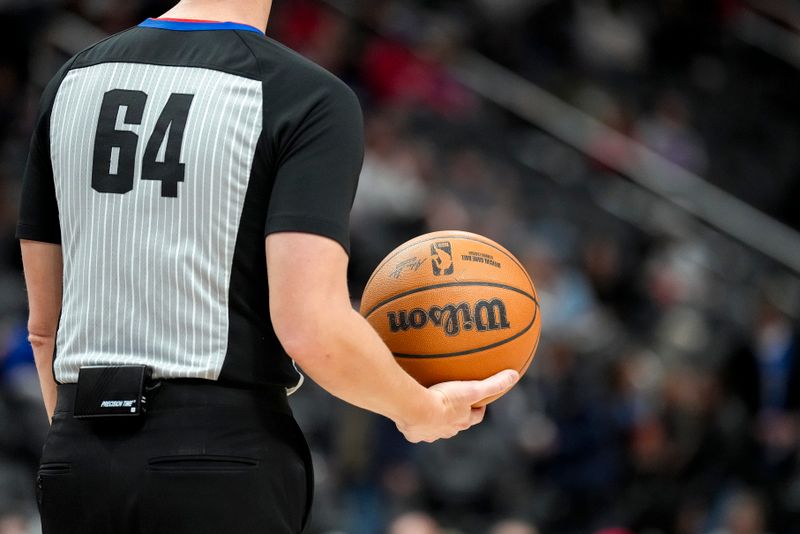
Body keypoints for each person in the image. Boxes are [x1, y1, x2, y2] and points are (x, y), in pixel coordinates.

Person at [17, 1, 518, 533]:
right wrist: (418, 409)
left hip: (76, 452)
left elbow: (44, 329)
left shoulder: (72, 80)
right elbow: (311, 327)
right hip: (219, 458)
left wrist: (87, 447)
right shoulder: (305, 94)